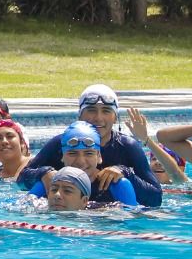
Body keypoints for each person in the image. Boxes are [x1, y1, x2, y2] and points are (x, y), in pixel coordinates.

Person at [26, 84, 162, 206]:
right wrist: (43, 173)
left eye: (106, 111)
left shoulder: (127, 147)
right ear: (80, 115)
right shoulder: (61, 143)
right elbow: (22, 178)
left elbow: (156, 199)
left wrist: (126, 173)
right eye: (91, 110)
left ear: (115, 118)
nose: (98, 118)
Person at [18, 122, 139, 206]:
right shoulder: (49, 182)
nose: (81, 161)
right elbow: (21, 211)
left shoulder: (117, 186)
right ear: (62, 157)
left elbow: (131, 224)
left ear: (99, 157)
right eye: (72, 153)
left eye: (88, 153)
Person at [126, 107, 188, 185]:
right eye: (154, 159)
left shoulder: (183, 183)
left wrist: (146, 139)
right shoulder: (142, 183)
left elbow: (175, 172)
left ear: (181, 168)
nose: (158, 163)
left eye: (163, 160)